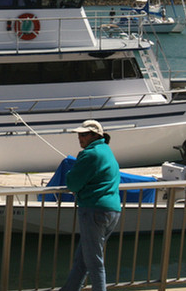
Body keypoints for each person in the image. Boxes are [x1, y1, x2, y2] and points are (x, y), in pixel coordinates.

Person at [60, 120, 121, 291]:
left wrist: (76, 165)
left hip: (94, 211)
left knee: (94, 262)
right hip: (112, 211)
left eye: (84, 134)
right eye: (79, 134)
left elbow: (72, 183)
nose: (80, 137)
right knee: (83, 259)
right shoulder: (106, 151)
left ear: (96, 136)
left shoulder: (90, 154)